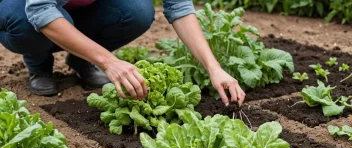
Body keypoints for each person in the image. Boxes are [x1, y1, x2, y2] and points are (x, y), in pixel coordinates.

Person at [0, 0, 245, 105]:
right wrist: (109, 61)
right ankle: (38, 65)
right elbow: (40, 9)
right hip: (21, 6)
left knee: (137, 11)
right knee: (26, 25)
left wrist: (214, 68)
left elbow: (178, 6)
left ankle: (81, 57)